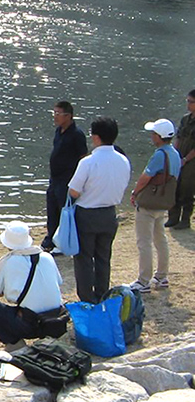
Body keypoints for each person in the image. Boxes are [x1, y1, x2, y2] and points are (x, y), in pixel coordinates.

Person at [0, 221, 63, 351]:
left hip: (29, 325)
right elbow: (57, 282)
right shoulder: (47, 257)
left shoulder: (7, 261)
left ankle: (13, 342)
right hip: (56, 322)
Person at [68, 117, 131, 303]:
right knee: (103, 257)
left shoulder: (88, 162)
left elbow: (73, 191)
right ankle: (102, 293)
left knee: (84, 258)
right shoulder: (123, 160)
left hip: (87, 213)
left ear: (95, 137)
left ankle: (87, 298)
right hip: (110, 213)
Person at [128, 119, 181, 293]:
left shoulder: (159, 154)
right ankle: (161, 276)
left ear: (159, 136)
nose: (151, 136)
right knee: (161, 239)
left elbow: (145, 177)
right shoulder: (175, 154)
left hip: (149, 203)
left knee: (144, 242)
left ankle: (143, 281)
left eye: (153, 134)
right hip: (163, 203)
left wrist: (135, 192)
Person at [42, 101, 87, 253]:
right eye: (53, 113)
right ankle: (51, 238)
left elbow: (83, 157)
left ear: (68, 116)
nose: (55, 117)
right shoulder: (58, 131)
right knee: (52, 208)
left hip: (67, 179)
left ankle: (64, 241)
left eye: (58, 114)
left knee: (64, 210)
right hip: (55, 178)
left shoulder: (77, 135)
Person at [166, 89, 195, 229]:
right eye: (187, 101)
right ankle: (173, 217)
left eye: (191, 102)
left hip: (192, 161)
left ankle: (185, 219)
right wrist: (175, 155)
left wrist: (185, 159)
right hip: (180, 156)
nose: (188, 104)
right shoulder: (185, 119)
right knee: (174, 186)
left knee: (187, 188)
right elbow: (178, 137)